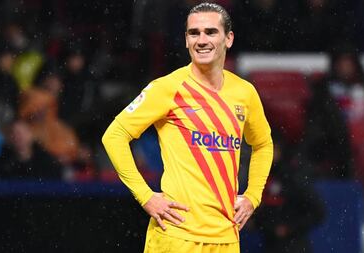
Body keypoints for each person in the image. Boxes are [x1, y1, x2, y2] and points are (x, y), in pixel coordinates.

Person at [102, 3, 273, 253]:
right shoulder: (167, 87)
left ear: (229, 38)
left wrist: (252, 197)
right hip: (176, 236)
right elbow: (114, 136)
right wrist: (146, 196)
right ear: (185, 40)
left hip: (226, 237)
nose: (201, 40)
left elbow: (263, 144)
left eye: (210, 32)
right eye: (194, 33)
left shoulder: (245, 93)